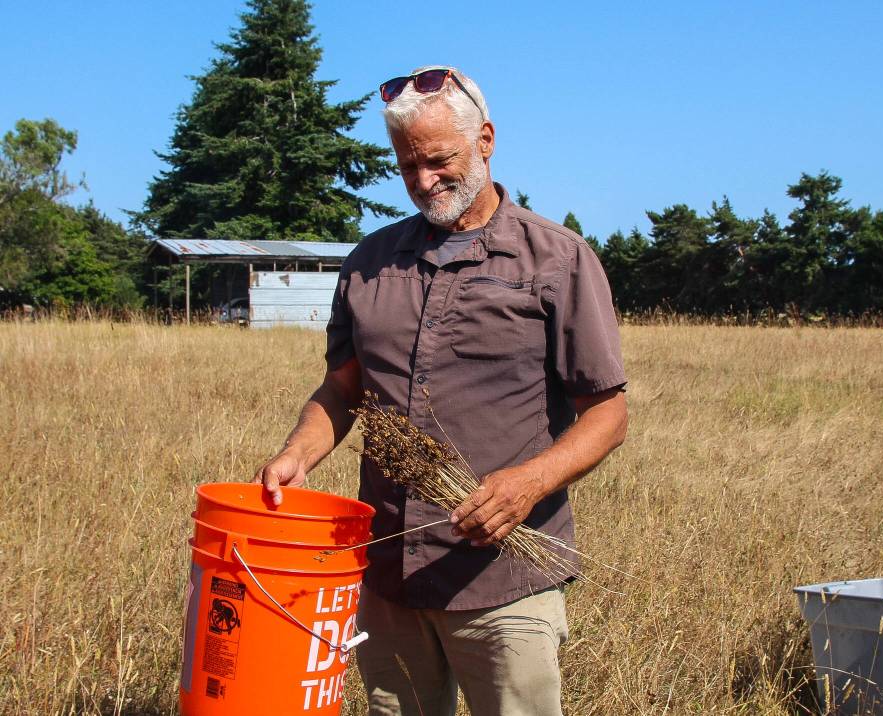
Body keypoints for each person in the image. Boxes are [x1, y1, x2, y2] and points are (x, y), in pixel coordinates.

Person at [255, 65, 628, 716]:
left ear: (485, 140)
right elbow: (341, 392)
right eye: (408, 166)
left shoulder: (558, 260)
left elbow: (608, 414)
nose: (424, 181)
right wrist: (297, 454)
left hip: (504, 580)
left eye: (439, 161)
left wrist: (528, 484)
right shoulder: (370, 264)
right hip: (389, 577)